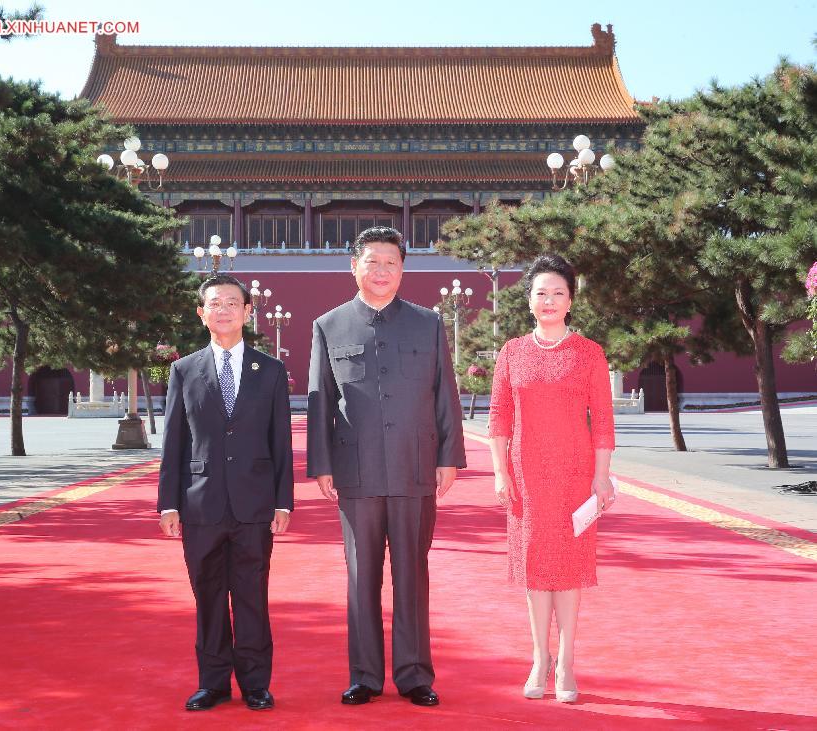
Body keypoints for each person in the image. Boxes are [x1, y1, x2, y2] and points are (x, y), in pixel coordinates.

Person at [307, 226, 466, 707]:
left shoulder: (427, 324)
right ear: (353, 266)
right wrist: (321, 464)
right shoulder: (329, 325)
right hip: (356, 472)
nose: (381, 271)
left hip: (415, 468)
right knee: (362, 578)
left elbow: (445, 394)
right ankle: (365, 676)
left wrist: (449, 457)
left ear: (403, 269)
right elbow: (321, 401)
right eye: (372, 262)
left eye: (391, 263)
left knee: (412, 574)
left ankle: (415, 674)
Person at [157, 273, 293, 712]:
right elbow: (174, 440)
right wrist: (169, 503)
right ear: (202, 314)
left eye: (233, 303)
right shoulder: (184, 369)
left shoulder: (270, 371)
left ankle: (256, 683)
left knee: (252, 594)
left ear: (248, 312)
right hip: (201, 505)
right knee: (209, 595)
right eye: (215, 303)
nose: (224, 310)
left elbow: (281, 442)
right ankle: (212, 683)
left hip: (254, 506)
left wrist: (282, 500)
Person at [487, 253, 615, 704]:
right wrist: (501, 472)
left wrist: (602, 477)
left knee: (569, 569)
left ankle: (567, 660)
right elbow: (499, 417)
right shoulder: (512, 352)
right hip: (526, 475)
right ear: (528, 300)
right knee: (535, 568)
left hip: (576, 475)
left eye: (558, 293)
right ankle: (540, 658)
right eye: (540, 292)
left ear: (571, 300)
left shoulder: (589, 354)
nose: (549, 300)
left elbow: (602, 420)